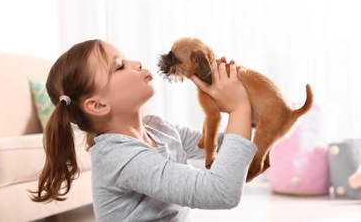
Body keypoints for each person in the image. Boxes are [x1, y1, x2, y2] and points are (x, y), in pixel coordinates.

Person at [31, 39, 257, 221]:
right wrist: (239, 107)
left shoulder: (158, 128)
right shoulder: (122, 158)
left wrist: (248, 110)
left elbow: (223, 145)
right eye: (120, 66)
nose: (137, 62)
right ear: (98, 105)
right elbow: (220, 192)